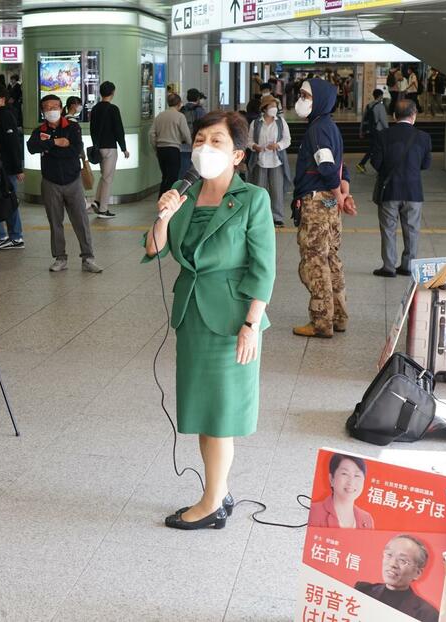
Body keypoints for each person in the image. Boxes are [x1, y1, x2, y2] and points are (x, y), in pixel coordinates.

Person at [143, 111, 275, 530]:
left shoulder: (252, 198)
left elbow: (264, 268)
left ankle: (211, 504)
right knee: (204, 413)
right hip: (193, 315)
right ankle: (219, 488)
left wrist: (252, 323)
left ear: (237, 154)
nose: (204, 147)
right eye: (200, 139)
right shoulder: (183, 192)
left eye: (216, 141)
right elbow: (154, 250)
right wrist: (163, 215)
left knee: (221, 416)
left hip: (234, 320)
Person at [291, 78, 357, 339]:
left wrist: (340, 196)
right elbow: (342, 167)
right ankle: (339, 317)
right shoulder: (330, 126)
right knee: (331, 259)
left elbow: (327, 167)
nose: (301, 99)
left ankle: (321, 322)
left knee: (315, 262)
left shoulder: (317, 129)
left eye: (305, 95)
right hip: (328, 203)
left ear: (318, 99)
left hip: (318, 203)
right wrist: (344, 191)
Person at [27, 95, 102, 274]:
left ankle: (88, 258)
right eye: (47, 107)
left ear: (61, 109)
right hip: (50, 182)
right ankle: (60, 258)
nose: (51, 110)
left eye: (55, 106)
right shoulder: (40, 130)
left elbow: (75, 150)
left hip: (73, 180)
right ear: (43, 111)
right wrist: (55, 143)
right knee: (55, 222)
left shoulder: (72, 127)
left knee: (81, 221)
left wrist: (48, 149)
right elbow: (31, 147)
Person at [371, 100, 432, 278]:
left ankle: (389, 267)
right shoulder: (423, 137)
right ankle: (408, 266)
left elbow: (376, 163)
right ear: (414, 115)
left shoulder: (383, 135)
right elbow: (426, 164)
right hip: (413, 191)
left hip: (389, 190)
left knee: (388, 229)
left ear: (394, 116)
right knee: (412, 229)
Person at [355, 535, 439, 622]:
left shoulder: (428, 615)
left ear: (417, 573)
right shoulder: (362, 591)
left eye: (402, 560)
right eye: (389, 555)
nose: (392, 564)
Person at [0, 84, 24, 251]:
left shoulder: (5, 115)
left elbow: (13, 143)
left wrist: (18, 168)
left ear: (1, 99)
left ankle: (14, 236)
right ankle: (3, 236)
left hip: (7, 167)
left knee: (8, 201)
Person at [247, 95, 292, 227]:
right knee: (259, 190)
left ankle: (277, 217)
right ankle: (259, 217)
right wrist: (255, 147)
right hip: (260, 160)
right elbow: (249, 140)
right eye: (271, 106)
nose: (274, 109)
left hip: (276, 160)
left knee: (277, 189)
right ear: (264, 108)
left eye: (275, 106)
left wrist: (278, 146)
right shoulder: (256, 123)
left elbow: (287, 140)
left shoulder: (280, 122)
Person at [88, 81, 128, 219]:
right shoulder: (113, 109)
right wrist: (124, 148)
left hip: (99, 148)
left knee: (104, 176)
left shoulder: (94, 109)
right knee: (107, 178)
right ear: (112, 92)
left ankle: (97, 202)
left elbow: (92, 130)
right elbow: (119, 130)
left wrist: (96, 144)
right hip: (110, 147)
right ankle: (103, 210)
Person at [307, 453, 374, 529]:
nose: (351, 482)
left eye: (357, 475)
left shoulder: (366, 519)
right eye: (344, 474)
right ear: (331, 479)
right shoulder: (314, 511)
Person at [149, 92, 192, 199]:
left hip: (161, 149)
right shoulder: (180, 116)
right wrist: (191, 144)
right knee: (173, 177)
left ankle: (161, 197)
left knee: (165, 176)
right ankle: (167, 199)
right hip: (173, 149)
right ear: (179, 103)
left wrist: (155, 147)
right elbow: (186, 134)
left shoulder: (160, 116)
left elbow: (151, 133)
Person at [357, 89, 389, 174]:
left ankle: (362, 164)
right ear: (380, 96)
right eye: (382, 95)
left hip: (370, 130)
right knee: (377, 148)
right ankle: (375, 165)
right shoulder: (380, 106)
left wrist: (361, 130)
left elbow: (363, 119)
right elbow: (383, 120)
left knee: (372, 148)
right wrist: (388, 130)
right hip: (379, 131)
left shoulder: (369, 105)